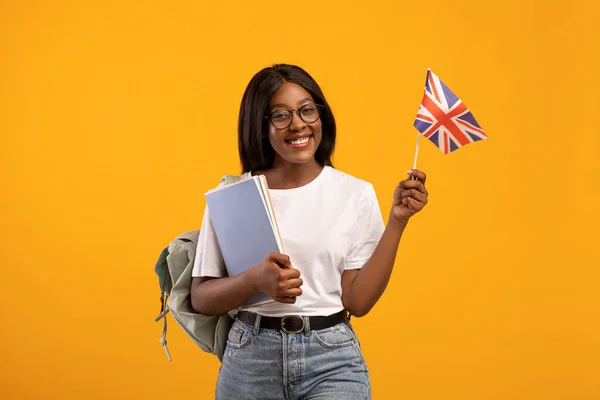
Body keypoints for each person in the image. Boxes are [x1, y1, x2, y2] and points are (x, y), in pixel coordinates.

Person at [190, 64, 429, 400]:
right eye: (280, 115)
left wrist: (397, 221)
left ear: (321, 116)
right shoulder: (235, 196)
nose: (298, 124)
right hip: (250, 359)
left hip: (331, 357)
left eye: (306, 110)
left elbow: (358, 302)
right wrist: (254, 281)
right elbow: (201, 298)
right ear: (260, 126)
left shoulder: (354, 193)